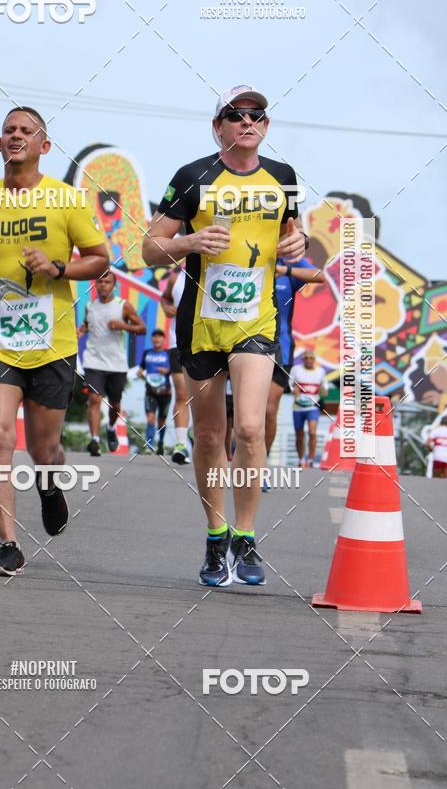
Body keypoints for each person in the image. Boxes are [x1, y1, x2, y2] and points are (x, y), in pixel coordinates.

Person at [142, 84, 306, 587]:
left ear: (266, 126)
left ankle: (247, 534)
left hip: (256, 322)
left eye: (257, 115)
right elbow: (149, 248)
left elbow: (292, 238)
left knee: (251, 429)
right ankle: (216, 536)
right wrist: (189, 240)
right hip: (201, 322)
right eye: (236, 115)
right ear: (218, 127)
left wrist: (297, 243)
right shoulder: (193, 177)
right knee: (210, 434)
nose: (247, 122)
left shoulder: (284, 178)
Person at [0, 106, 109, 576]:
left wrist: (57, 268)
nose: (16, 134)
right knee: (0, 435)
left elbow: (100, 261)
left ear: (44, 146)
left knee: (44, 450)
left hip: (53, 344)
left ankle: (49, 483)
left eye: (27, 130)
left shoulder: (67, 200)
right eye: (9, 130)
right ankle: (8, 545)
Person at [78, 270, 146, 456]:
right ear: (95, 285)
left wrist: (123, 326)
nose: (102, 285)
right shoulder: (90, 306)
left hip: (117, 363)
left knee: (115, 405)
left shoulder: (123, 306)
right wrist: (81, 330)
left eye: (106, 282)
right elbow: (87, 323)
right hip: (93, 361)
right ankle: (94, 440)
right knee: (94, 399)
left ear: (113, 286)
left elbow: (142, 328)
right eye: (99, 282)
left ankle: (110, 427)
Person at [266, 257, 326, 456]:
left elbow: (319, 276)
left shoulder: (289, 261)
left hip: (279, 347)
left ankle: (260, 464)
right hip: (243, 345)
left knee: (268, 410)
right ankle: (236, 457)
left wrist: (285, 270)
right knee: (241, 412)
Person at [160, 267, 191, 463]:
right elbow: (165, 298)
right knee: (181, 393)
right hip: (177, 342)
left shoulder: (213, 269)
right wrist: (166, 307)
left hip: (206, 342)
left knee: (205, 397)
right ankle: (180, 444)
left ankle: (202, 437)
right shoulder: (175, 276)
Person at [289, 349, 328, 467]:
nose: (309, 360)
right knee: (299, 435)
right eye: (306, 358)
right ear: (303, 360)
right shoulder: (296, 370)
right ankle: (301, 460)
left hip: (312, 407)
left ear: (314, 360)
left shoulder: (320, 371)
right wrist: (293, 390)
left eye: (311, 358)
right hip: (298, 407)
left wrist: (324, 390)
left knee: (312, 432)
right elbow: (290, 383)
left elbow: (324, 386)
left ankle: (310, 460)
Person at [137, 328, 172, 455]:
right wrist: (140, 371)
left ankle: (161, 443)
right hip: (150, 391)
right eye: (154, 336)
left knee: (161, 420)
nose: (157, 339)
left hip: (165, 392)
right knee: (150, 418)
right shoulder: (147, 353)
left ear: (164, 339)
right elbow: (141, 367)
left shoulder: (168, 354)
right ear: (151, 339)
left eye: (159, 336)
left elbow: (175, 370)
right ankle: (149, 445)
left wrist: (167, 371)